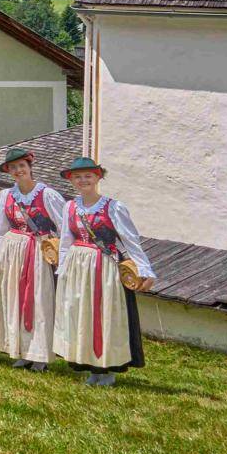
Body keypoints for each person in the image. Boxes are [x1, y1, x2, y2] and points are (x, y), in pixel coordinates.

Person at [53, 157, 155, 387]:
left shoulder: (113, 207)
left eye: (88, 176)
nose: (83, 180)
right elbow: (66, 241)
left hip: (104, 267)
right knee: (82, 314)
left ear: (98, 177)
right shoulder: (69, 207)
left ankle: (108, 368)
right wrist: (63, 267)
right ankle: (91, 366)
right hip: (78, 266)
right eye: (77, 177)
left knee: (105, 315)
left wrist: (145, 269)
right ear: (71, 181)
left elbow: (130, 240)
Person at [0, 146, 66, 371]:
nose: (18, 171)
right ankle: (21, 350)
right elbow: (0, 229)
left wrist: (60, 256)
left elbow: (65, 228)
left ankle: (40, 356)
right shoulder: (6, 195)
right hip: (12, 253)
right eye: (13, 168)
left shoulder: (47, 195)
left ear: (29, 167)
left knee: (38, 303)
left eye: (21, 166)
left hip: (38, 254)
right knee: (14, 301)